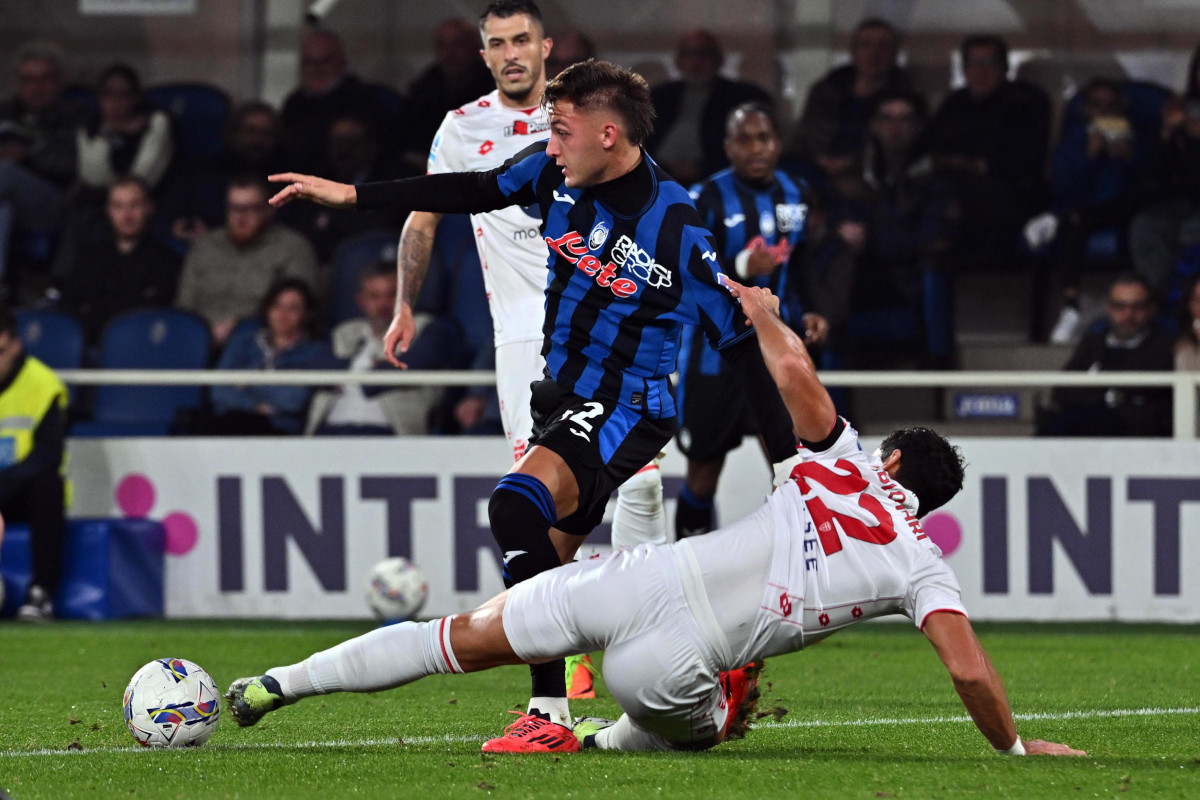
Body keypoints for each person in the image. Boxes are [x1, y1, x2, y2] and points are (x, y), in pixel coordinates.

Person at [225, 277, 1086, 760]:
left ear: (892, 459)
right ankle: (633, 736)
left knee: (453, 636)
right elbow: (970, 672)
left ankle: (277, 685)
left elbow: (797, 382)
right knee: (700, 726)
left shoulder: (847, 459)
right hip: (677, 664)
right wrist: (1011, 748)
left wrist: (760, 311)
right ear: (928, 500)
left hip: (636, 579)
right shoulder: (920, 562)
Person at [266, 57, 799, 753]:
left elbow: (738, 343)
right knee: (543, 577)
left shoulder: (677, 230)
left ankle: (548, 714)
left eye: (561, 130)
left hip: (627, 405)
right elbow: (477, 187)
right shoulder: (555, 172)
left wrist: (790, 466)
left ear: (608, 135)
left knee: (515, 505)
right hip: (563, 399)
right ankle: (709, 664)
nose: (548, 146)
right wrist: (352, 196)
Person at [389, 0, 668, 726]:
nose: (511, 52)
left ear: (547, 46)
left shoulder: (583, 116)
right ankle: (564, 665)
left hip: (605, 331)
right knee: (537, 508)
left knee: (641, 490)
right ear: (483, 56)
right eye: (497, 43)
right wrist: (403, 305)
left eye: (522, 39)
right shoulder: (462, 127)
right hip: (522, 340)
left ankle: (656, 639)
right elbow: (425, 216)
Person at [674, 102, 827, 540]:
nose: (756, 148)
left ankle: (798, 579)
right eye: (745, 139)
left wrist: (813, 311)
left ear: (778, 143)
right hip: (712, 359)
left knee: (792, 469)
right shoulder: (703, 199)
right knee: (703, 472)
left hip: (772, 357)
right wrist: (740, 263)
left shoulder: (796, 194)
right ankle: (692, 577)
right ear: (728, 147)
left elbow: (799, 266)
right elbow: (686, 273)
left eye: (764, 138)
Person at [1030, 78, 1152, 344]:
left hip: (1128, 209)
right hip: (1085, 210)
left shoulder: (1140, 137)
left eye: (1111, 105)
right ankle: (1071, 306)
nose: (1104, 111)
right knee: (1074, 223)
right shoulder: (1073, 141)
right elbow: (1064, 189)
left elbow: (1154, 184)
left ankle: (1054, 220)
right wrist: (1089, 156)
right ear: (1085, 109)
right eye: (1097, 104)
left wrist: (1129, 159)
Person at [844, 89, 957, 367]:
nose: (895, 128)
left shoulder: (937, 177)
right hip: (858, 279)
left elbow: (930, 237)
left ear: (918, 126)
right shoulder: (854, 175)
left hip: (908, 281)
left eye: (905, 119)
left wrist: (870, 237)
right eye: (886, 119)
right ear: (873, 125)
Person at [926, 34, 1050, 270]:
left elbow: (1027, 159)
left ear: (1004, 68)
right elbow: (932, 147)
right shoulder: (955, 103)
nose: (980, 71)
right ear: (963, 69)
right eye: (973, 63)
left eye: (989, 63)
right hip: (948, 186)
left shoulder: (1027, 100)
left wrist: (972, 165)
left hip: (1009, 193)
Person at [306, 260, 455, 435]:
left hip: (388, 433)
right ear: (361, 300)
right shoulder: (344, 332)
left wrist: (355, 373)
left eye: (392, 294)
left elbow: (410, 365)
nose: (383, 303)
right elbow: (318, 367)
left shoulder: (428, 328)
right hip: (330, 431)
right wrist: (378, 368)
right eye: (374, 296)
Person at [175, 176, 319, 348]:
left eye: (251, 209)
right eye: (234, 208)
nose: (240, 217)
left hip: (261, 344)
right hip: (198, 342)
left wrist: (238, 326)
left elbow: (297, 313)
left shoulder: (293, 248)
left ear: (269, 209)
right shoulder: (205, 247)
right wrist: (200, 334)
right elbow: (184, 307)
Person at [1038, 273, 1174, 437]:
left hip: (1139, 440)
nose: (1128, 315)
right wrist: (1111, 397)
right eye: (1120, 306)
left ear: (1150, 309)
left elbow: (1155, 400)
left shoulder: (1164, 346)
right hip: (1086, 436)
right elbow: (1062, 392)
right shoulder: (1093, 343)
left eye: (1137, 307)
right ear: (1108, 308)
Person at [0, 305, 68, 621]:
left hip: (21, 489)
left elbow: (48, 451)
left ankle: (41, 592)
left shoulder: (42, 384)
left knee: (48, 486)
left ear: (16, 344)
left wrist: (10, 479)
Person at [55, 176, 182, 343]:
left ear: (149, 208)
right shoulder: (89, 258)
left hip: (141, 350)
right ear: (108, 211)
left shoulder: (167, 261)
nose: (127, 215)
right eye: (118, 206)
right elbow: (68, 309)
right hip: (90, 350)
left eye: (135, 205)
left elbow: (157, 320)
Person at [0, 41, 84, 289]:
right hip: (12, 200)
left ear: (60, 81)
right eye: (28, 80)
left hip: (55, 202)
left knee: (4, 171)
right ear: (17, 83)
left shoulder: (77, 114)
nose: (36, 88)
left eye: (45, 79)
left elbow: (73, 163)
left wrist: (27, 154)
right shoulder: (5, 112)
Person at [788, 18, 911, 186]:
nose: (874, 53)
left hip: (869, 178)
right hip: (816, 170)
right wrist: (819, 159)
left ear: (894, 54)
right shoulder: (826, 91)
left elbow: (902, 148)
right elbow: (806, 134)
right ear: (853, 52)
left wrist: (853, 162)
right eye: (865, 45)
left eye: (883, 46)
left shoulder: (905, 96)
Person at [205, 278, 336, 435]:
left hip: (277, 429)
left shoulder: (315, 350)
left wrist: (245, 382)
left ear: (306, 314)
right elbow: (218, 390)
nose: (282, 314)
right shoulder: (243, 341)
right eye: (277, 305)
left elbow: (293, 400)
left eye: (293, 308)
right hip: (229, 421)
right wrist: (254, 405)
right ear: (267, 308)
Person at [645, 29, 772, 186]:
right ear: (678, 61)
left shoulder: (742, 97)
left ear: (719, 59)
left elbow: (749, 147)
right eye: (688, 54)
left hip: (718, 182)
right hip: (655, 180)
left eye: (704, 54)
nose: (696, 62)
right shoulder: (659, 96)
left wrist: (702, 169)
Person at [279, 28, 389, 175]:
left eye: (325, 61)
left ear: (341, 61)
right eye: (309, 62)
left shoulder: (362, 98)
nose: (317, 69)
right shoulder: (294, 102)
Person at [399, 17, 497, 171]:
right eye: (442, 45)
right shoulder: (424, 87)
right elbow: (410, 140)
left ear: (476, 46)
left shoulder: (494, 87)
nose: (450, 53)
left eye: (458, 44)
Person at [75, 63, 173, 199]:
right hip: (103, 201)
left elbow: (141, 180)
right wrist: (110, 131)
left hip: (148, 201)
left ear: (136, 98)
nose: (115, 102)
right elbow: (92, 177)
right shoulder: (90, 124)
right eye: (108, 94)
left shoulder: (155, 121)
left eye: (123, 95)